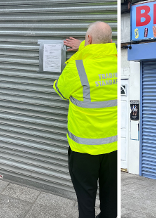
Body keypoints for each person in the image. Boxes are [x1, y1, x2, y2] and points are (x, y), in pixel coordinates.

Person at [53, 21, 117, 218]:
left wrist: (82, 50)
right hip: (113, 147)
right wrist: (85, 46)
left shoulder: (76, 67)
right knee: (111, 199)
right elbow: (103, 53)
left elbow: (60, 90)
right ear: (111, 40)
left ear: (88, 39)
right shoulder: (119, 60)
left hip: (84, 151)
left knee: (86, 199)